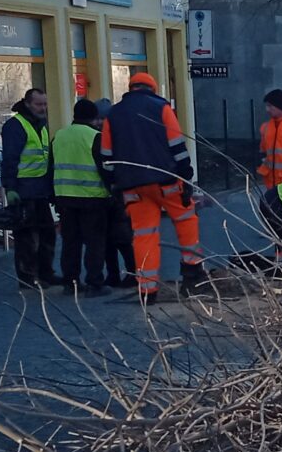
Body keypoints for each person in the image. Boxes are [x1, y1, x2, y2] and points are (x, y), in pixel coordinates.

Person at [100, 73, 204, 304]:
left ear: (131, 88)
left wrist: (113, 184)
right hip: (165, 180)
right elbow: (177, 144)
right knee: (186, 219)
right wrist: (186, 175)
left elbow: (106, 155)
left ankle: (147, 290)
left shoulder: (112, 115)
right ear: (152, 89)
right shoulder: (161, 108)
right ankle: (192, 272)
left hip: (132, 186)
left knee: (144, 234)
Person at [0, 87, 60, 292]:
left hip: (39, 188)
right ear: (27, 104)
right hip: (23, 190)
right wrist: (10, 187)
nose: (43, 108)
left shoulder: (40, 125)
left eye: (45, 104)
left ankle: (46, 273)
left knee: (47, 233)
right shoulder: (16, 126)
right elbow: (9, 159)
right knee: (27, 237)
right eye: (38, 104)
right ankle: (27, 278)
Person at [50, 99, 111, 298]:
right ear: (94, 116)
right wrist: (114, 192)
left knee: (70, 243)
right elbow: (106, 169)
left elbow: (50, 168)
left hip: (65, 198)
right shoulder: (96, 137)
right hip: (92, 198)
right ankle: (95, 283)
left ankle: (71, 282)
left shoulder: (59, 136)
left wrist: (53, 197)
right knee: (95, 243)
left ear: (74, 115)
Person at [94, 97, 136, 288]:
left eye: (103, 118)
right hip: (108, 195)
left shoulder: (113, 137)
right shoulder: (112, 136)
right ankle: (118, 275)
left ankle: (130, 273)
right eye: (98, 118)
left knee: (121, 238)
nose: (100, 122)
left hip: (116, 195)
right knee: (113, 240)